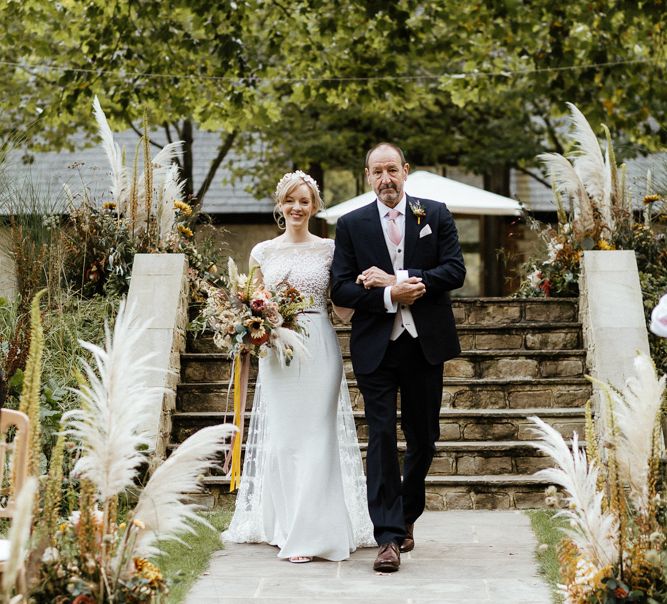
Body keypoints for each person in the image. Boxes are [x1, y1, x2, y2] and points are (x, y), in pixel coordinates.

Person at [222, 170, 374, 562]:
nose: (297, 207)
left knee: (317, 438)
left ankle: (313, 532)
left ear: (315, 206)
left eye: (304, 201)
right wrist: (247, 326)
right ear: (280, 204)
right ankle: (285, 525)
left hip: (319, 345)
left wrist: (365, 289)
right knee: (286, 441)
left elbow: (341, 308)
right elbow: (250, 302)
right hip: (278, 352)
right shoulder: (263, 253)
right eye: (290, 200)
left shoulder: (330, 249)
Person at [331, 143, 466, 573]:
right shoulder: (351, 225)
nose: (386, 179)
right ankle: (387, 536)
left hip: (425, 344)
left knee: (424, 438)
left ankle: (407, 514)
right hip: (377, 347)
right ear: (367, 176)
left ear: (406, 171)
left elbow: (455, 271)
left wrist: (403, 278)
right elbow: (340, 289)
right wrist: (389, 295)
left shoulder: (436, 214)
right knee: (383, 437)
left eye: (393, 170)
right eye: (377, 172)